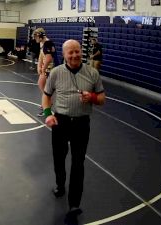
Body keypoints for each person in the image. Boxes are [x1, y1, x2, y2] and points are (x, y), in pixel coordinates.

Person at [42, 39, 105, 224]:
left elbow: (102, 98)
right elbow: (46, 96)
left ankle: (74, 204)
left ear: (81, 52)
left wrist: (92, 97)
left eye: (77, 51)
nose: (75, 55)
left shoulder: (92, 73)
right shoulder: (55, 73)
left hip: (81, 123)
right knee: (59, 157)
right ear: (64, 55)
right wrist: (47, 114)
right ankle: (60, 184)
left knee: (78, 163)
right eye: (70, 52)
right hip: (60, 122)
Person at [33, 27, 60, 117]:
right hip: (47, 67)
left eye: (36, 37)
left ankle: (47, 105)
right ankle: (48, 102)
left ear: (41, 36)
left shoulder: (47, 43)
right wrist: (38, 66)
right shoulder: (42, 43)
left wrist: (43, 69)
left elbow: (48, 58)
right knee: (41, 84)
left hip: (51, 68)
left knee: (46, 88)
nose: (35, 39)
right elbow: (41, 56)